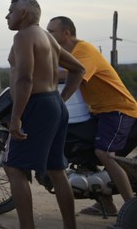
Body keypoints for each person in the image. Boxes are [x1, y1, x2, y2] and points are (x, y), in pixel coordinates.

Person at [4, 0, 85, 229]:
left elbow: (25, 79)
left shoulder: (23, 36)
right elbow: (78, 69)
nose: (7, 16)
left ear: (23, 14)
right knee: (56, 169)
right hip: (52, 104)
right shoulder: (47, 37)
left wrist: (16, 118)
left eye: (11, 11)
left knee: (15, 168)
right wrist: (60, 100)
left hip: (36, 104)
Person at [47, 15, 137, 217]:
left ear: (66, 33)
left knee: (104, 154)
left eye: (51, 31)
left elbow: (75, 73)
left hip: (118, 109)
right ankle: (106, 204)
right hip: (98, 111)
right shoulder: (64, 53)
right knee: (83, 152)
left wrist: (37, 74)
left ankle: (131, 211)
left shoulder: (84, 50)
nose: (47, 34)